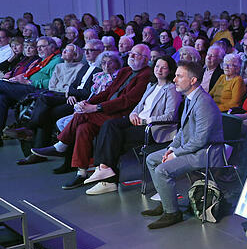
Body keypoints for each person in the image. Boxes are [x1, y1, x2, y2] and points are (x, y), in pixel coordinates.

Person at [31, 45, 153, 187]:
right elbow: (107, 93)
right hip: (108, 110)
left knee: (83, 116)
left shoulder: (146, 75)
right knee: (84, 127)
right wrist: (87, 102)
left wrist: (96, 107)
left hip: (123, 116)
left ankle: (61, 145)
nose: (131, 57)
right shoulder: (125, 71)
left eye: (136, 55)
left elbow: (128, 101)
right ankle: (81, 173)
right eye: (131, 53)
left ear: (146, 59)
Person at [141, 61, 223, 229]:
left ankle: (172, 213)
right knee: (151, 159)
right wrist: (171, 148)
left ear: (193, 80)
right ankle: (166, 203)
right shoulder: (190, 98)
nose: (175, 79)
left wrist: (176, 154)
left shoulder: (203, 102)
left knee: (162, 169)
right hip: (191, 148)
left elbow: (200, 140)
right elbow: (182, 132)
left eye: (179, 76)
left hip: (205, 152)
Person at [83, 56, 182, 195]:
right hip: (137, 121)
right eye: (157, 66)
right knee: (109, 125)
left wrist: (145, 121)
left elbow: (170, 116)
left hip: (154, 128)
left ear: (170, 70)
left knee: (115, 138)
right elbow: (139, 106)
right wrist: (133, 114)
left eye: (164, 67)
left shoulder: (172, 89)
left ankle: (108, 179)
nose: (159, 70)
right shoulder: (151, 85)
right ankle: (103, 168)